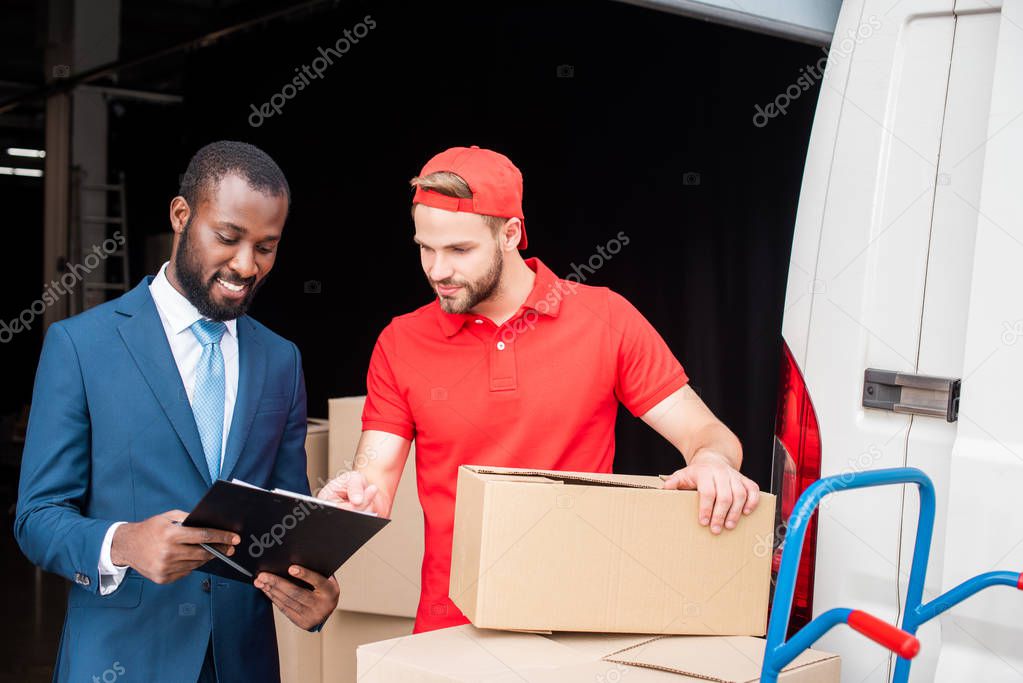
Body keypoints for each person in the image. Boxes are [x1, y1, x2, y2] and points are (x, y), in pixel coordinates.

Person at [319, 145, 761, 634]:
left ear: (510, 234)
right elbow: (373, 480)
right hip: (451, 631)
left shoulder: (605, 318)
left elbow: (708, 435)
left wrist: (713, 463)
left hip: (578, 623)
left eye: (459, 250)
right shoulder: (401, 342)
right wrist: (356, 496)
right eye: (425, 247)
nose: (437, 270)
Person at [15, 141, 338, 682]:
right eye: (228, 238)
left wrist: (313, 586)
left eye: (266, 247)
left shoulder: (281, 360)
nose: (246, 265)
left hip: (243, 663)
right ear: (181, 216)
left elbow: (287, 515)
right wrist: (123, 543)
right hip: (120, 662)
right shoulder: (80, 345)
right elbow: (37, 517)